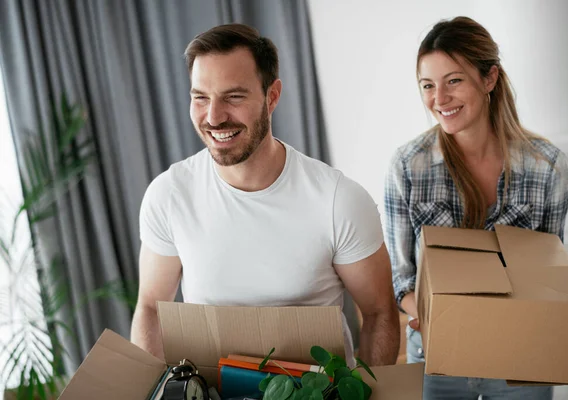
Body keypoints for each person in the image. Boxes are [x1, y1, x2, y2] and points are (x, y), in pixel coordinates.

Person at [131, 23, 400, 366]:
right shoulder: (169, 194)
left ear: (272, 97)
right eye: (200, 97)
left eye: (233, 97)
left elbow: (379, 313)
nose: (213, 117)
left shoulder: (339, 200)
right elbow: (152, 308)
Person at [384, 16, 568, 400]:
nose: (439, 100)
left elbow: (549, 277)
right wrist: (432, 315)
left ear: (489, 79)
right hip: (437, 357)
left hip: (520, 359)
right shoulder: (408, 166)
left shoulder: (547, 166)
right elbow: (401, 277)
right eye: (427, 85)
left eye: (453, 80)